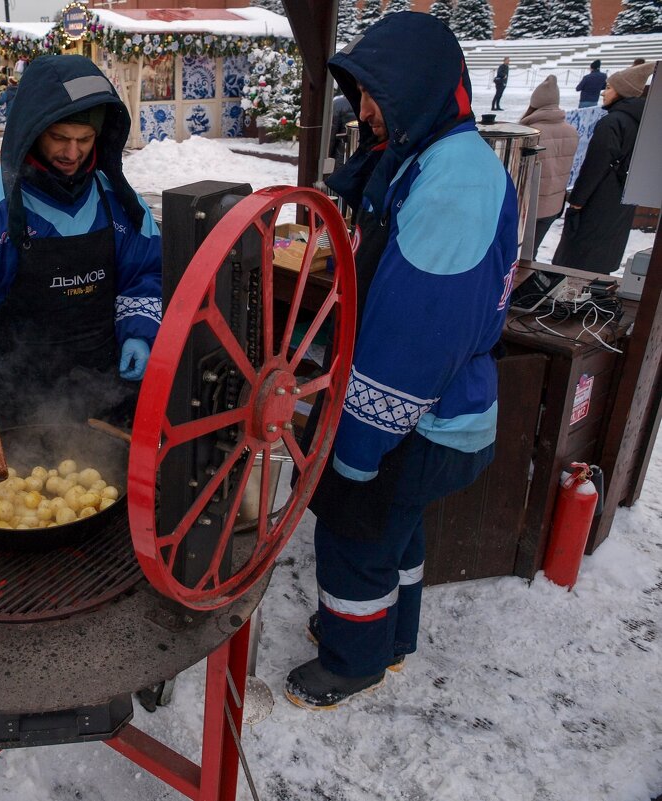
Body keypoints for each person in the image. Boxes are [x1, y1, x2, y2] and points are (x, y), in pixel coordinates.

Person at [284, 11, 518, 710]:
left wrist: (355, 442)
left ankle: (351, 657)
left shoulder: (453, 186)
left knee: (355, 527)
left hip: (422, 416)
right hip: (452, 412)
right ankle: (393, 637)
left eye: (375, 93)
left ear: (418, 87)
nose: (365, 110)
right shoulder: (433, 152)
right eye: (358, 94)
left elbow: (416, 336)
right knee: (398, 525)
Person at [0, 54, 162, 427]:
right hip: (15, 404)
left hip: (106, 395)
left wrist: (140, 328)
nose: (72, 153)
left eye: (85, 139)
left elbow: (147, 273)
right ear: (32, 129)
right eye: (60, 137)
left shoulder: (120, 205)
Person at [553, 62, 654, 274]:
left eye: (608, 88)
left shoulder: (613, 122)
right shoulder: (643, 121)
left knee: (577, 259)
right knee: (602, 257)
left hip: (598, 200)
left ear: (622, 91)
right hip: (621, 200)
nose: (603, 92)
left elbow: (595, 166)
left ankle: (570, 299)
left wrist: (577, 201)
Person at [518, 75, 578, 258]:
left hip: (529, 207)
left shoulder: (530, 132)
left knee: (518, 255)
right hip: (553, 205)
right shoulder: (571, 131)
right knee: (531, 254)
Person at [329, 89, 355, 162]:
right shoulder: (371, 102)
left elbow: (332, 134)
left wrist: (328, 155)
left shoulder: (338, 104)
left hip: (342, 155)